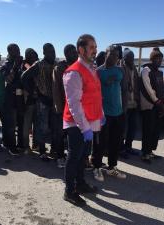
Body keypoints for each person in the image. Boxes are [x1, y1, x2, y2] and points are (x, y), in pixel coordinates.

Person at [63, 34, 102, 207]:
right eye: (92, 47)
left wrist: (101, 114)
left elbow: (95, 94)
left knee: (82, 157)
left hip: (89, 120)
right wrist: (85, 127)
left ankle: (81, 184)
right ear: (81, 49)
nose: (95, 50)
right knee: (74, 157)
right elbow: (74, 105)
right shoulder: (73, 72)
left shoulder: (91, 69)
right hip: (76, 123)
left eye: (95, 47)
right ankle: (69, 191)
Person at [91, 45, 127, 182]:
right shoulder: (97, 72)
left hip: (118, 113)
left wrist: (124, 109)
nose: (114, 57)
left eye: (117, 55)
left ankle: (112, 167)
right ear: (106, 54)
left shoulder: (120, 70)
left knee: (115, 142)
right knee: (100, 142)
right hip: (102, 114)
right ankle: (96, 167)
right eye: (111, 54)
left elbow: (124, 90)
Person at [21, 43, 56, 161]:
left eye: (53, 51)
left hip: (54, 101)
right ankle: (42, 151)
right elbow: (24, 77)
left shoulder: (56, 64)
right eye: (49, 51)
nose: (52, 53)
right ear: (44, 53)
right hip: (43, 101)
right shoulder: (39, 64)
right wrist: (32, 91)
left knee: (52, 127)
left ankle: (53, 150)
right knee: (42, 127)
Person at [139, 47, 164, 163]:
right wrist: (157, 101)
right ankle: (144, 153)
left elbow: (163, 88)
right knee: (148, 129)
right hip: (149, 105)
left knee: (155, 130)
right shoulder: (146, 70)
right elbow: (148, 89)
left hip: (158, 105)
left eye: (161, 59)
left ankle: (150, 151)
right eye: (157, 59)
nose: (159, 62)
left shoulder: (160, 73)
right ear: (152, 59)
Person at [52, 44, 78, 168]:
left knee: (74, 135)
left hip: (77, 107)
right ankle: (60, 157)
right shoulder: (59, 68)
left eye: (76, 52)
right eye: (73, 52)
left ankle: (74, 157)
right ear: (67, 54)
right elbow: (56, 89)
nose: (76, 54)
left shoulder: (79, 66)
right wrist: (59, 108)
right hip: (63, 108)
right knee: (60, 134)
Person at [0, 43, 24, 155]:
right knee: (11, 125)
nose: (18, 52)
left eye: (18, 50)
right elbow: (8, 80)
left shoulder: (22, 63)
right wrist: (15, 66)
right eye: (15, 50)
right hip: (10, 99)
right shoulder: (6, 65)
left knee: (21, 123)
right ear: (9, 52)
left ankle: (20, 144)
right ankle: (11, 146)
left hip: (20, 98)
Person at [120, 48, 140, 155]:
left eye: (133, 57)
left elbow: (137, 84)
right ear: (124, 58)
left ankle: (129, 147)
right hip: (124, 104)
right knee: (123, 129)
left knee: (133, 127)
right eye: (130, 57)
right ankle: (121, 149)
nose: (132, 59)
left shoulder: (134, 69)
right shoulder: (120, 68)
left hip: (134, 103)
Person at [22, 48, 39, 152]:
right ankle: (26, 146)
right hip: (28, 100)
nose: (35, 58)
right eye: (32, 56)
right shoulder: (25, 66)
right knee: (26, 125)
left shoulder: (36, 66)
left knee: (37, 125)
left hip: (36, 100)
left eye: (35, 56)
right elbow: (23, 79)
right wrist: (31, 92)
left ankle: (35, 145)